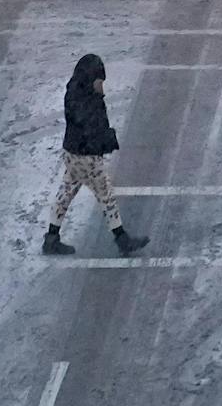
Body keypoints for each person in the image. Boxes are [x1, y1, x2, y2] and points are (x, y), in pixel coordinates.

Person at [44, 53, 149, 255]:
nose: (101, 86)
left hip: (71, 153)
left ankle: (51, 237)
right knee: (105, 195)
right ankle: (121, 238)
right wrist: (109, 139)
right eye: (99, 81)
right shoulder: (89, 103)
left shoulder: (74, 93)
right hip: (87, 157)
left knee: (67, 191)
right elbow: (94, 130)